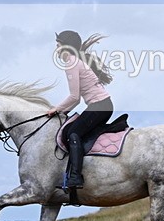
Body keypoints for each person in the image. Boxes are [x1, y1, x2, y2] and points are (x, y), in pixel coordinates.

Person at [48, 30, 114, 190]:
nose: (56, 47)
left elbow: (74, 97)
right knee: (71, 129)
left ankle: (76, 177)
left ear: (66, 46)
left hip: (100, 106)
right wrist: (62, 112)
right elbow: (76, 99)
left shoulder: (71, 62)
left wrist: (56, 109)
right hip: (101, 105)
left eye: (58, 43)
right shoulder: (75, 61)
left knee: (73, 133)